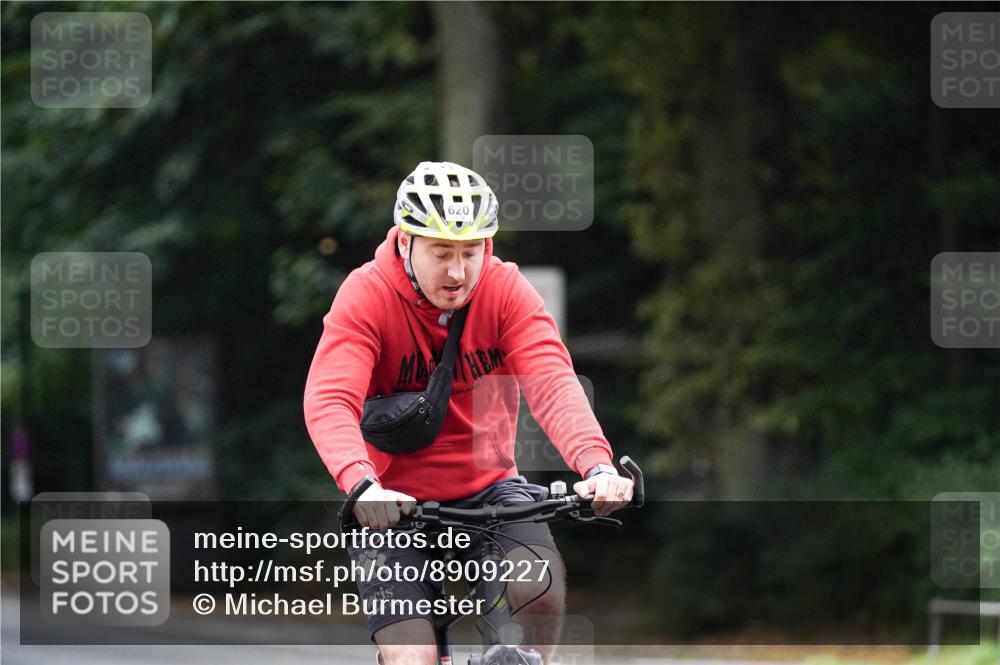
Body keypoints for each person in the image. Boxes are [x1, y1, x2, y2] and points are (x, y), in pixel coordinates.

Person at [304, 161, 633, 665]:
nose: (458, 272)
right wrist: (360, 483)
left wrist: (597, 464)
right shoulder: (366, 294)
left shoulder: (505, 291)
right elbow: (330, 399)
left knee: (539, 585)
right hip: (391, 506)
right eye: (441, 253)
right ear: (406, 242)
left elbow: (552, 381)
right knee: (411, 655)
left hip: (492, 491)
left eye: (470, 251)